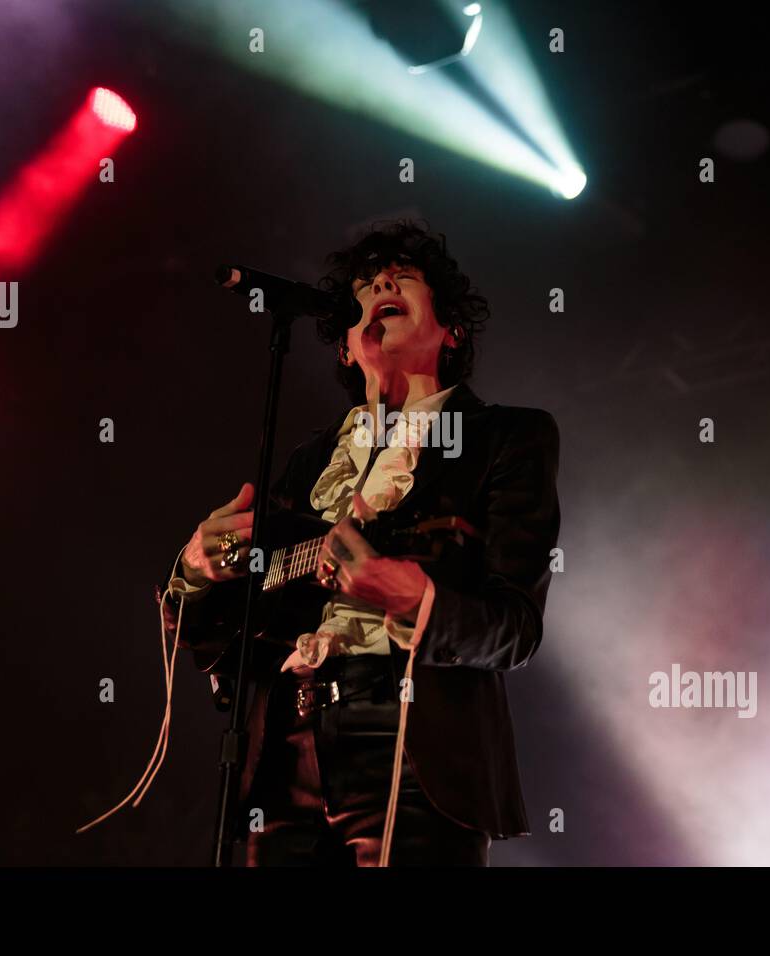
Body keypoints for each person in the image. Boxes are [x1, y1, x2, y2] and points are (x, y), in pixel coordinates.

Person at [165, 221, 560, 865]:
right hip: (285, 751)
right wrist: (195, 571)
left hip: (409, 748)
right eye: (364, 288)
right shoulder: (309, 462)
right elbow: (219, 641)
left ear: (452, 330)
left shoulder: (506, 439)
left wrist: (419, 597)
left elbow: (516, 628)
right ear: (346, 349)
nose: (379, 285)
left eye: (401, 278)